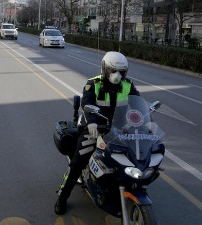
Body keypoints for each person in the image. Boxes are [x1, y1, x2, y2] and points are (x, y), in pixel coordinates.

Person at [54, 51, 140, 215]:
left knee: (135, 156)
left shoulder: (128, 85)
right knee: (78, 163)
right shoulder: (93, 84)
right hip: (94, 129)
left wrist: (144, 121)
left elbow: (136, 106)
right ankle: (62, 197)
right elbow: (87, 102)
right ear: (105, 69)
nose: (117, 75)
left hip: (120, 130)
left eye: (121, 71)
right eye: (113, 70)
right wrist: (92, 122)